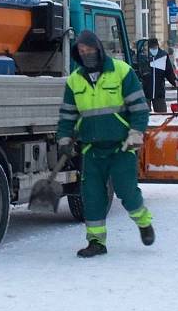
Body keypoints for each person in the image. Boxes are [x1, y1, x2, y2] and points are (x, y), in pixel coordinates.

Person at [57, 30, 155, 258]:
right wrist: (63, 139)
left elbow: (139, 109)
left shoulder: (121, 72)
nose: (86, 54)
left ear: (98, 49)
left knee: (127, 192)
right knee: (91, 197)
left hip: (122, 147)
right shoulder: (74, 81)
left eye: (89, 50)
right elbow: (67, 116)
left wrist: (136, 134)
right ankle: (96, 242)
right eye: (81, 51)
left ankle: (143, 222)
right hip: (92, 149)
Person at [141, 38, 178, 113]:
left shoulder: (163, 56)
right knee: (144, 115)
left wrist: (174, 81)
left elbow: (169, 72)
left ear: (158, 46)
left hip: (159, 92)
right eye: (151, 48)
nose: (153, 49)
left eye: (155, 47)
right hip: (145, 91)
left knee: (161, 114)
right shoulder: (143, 57)